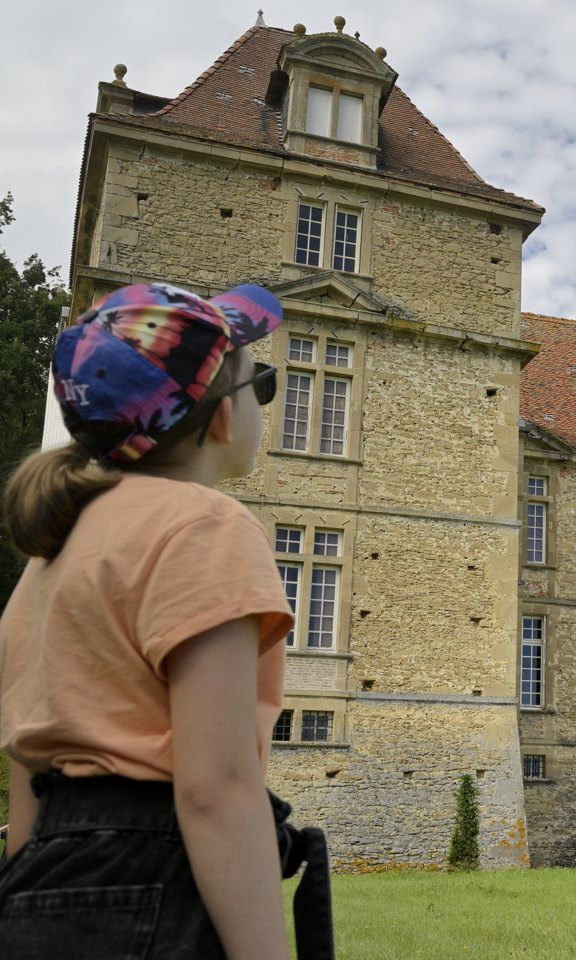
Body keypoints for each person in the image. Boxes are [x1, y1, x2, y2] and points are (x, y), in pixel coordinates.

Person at [0, 282, 331, 959]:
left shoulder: (50, 555)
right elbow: (214, 788)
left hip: (36, 889)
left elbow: (28, 792)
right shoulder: (205, 526)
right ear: (219, 418)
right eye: (258, 384)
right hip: (153, 876)